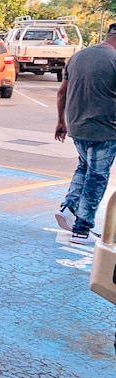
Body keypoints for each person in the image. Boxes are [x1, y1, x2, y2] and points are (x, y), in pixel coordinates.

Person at [54, 22, 116, 245]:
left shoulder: (78, 56)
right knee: (97, 177)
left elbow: (62, 93)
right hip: (106, 130)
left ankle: (69, 208)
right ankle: (81, 229)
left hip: (78, 127)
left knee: (85, 167)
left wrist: (61, 121)